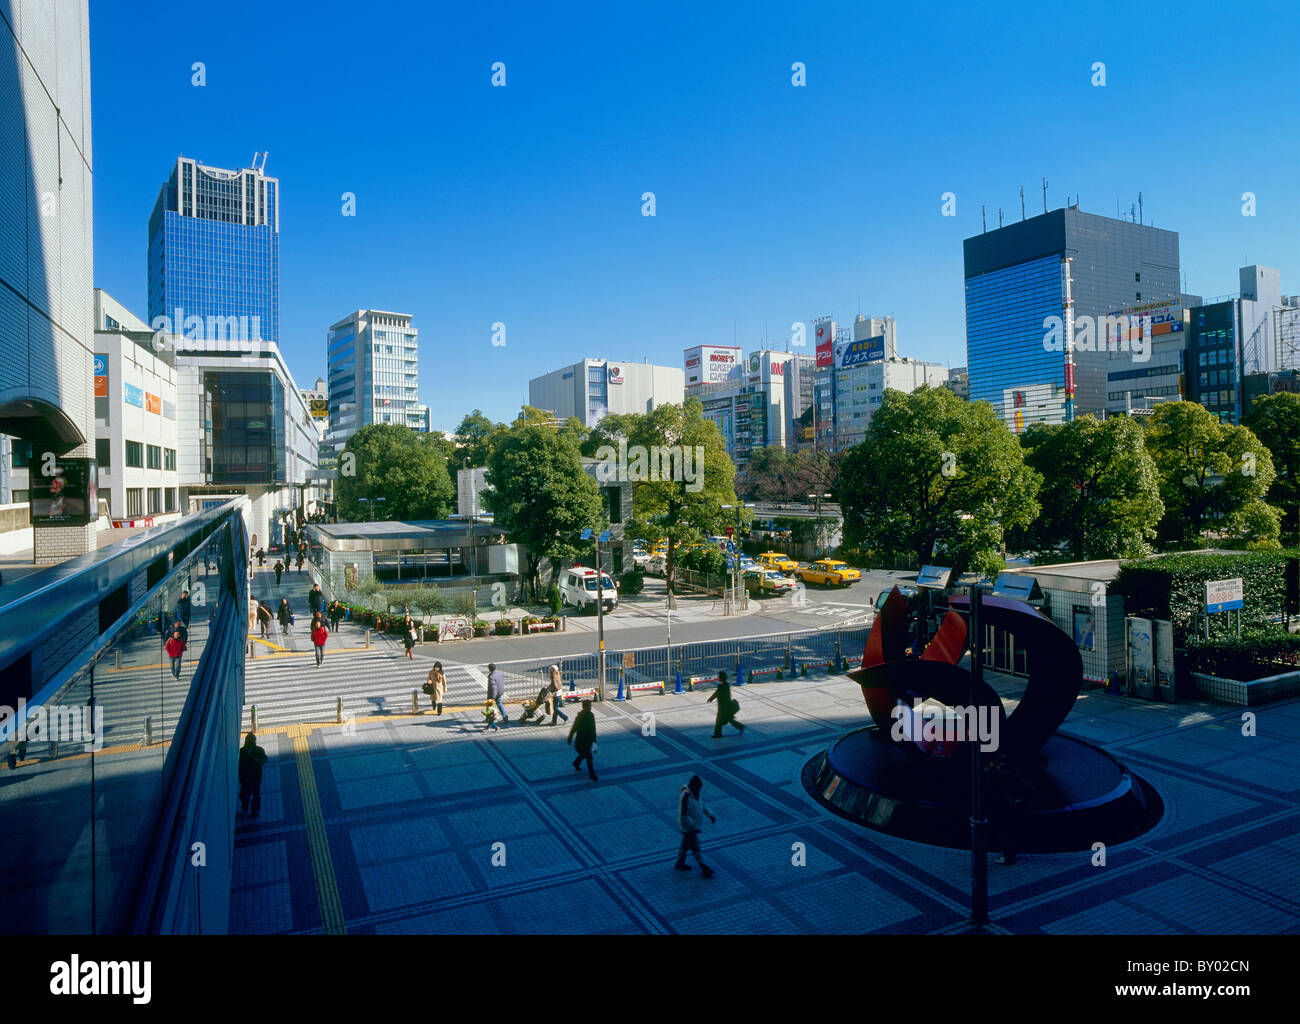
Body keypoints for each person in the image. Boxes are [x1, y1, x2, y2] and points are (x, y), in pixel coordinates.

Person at [674, 775, 716, 876]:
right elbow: (683, 816)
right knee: (695, 847)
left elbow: (702, 805)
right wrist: (692, 827)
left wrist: (710, 815)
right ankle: (704, 867)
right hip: (688, 828)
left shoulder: (696, 793)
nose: (699, 791)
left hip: (694, 827)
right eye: (697, 789)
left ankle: (679, 863)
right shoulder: (685, 797)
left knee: (685, 845)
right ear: (693, 788)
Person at [707, 669, 745, 738]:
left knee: (719, 721)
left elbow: (717, 694)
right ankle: (740, 727)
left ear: (721, 678)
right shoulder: (726, 685)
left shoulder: (722, 686)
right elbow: (718, 693)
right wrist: (711, 698)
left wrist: (711, 698)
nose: (718, 678)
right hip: (726, 706)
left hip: (723, 707)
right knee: (728, 719)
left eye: (719, 677)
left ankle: (718, 734)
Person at [238, 732, 268, 816]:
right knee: (245, 793)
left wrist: (259, 761)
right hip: (245, 777)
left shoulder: (258, 750)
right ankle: (245, 805)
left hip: (255, 776)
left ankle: (254, 810)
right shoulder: (242, 751)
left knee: (255, 794)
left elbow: (264, 759)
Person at [567, 700, 598, 780]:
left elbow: (593, 729)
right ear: (584, 707)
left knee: (585, 755)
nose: (590, 707)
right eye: (589, 706)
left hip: (588, 741)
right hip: (581, 741)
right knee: (589, 758)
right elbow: (574, 727)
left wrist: (594, 741)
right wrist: (570, 738)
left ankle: (576, 763)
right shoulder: (580, 717)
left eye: (590, 706)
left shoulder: (591, 715)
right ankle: (592, 776)